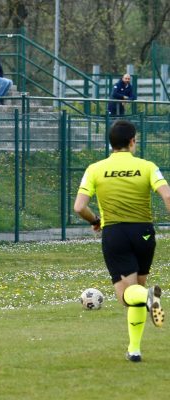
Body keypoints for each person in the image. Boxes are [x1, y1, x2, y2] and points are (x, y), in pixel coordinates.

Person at [73, 120, 170, 362]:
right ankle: (134, 349)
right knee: (136, 288)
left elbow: (79, 207)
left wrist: (95, 220)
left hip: (115, 233)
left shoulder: (95, 169)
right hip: (144, 233)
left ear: (111, 143)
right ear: (132, 141)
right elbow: (167, 195)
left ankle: (148, 297)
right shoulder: (147, 166)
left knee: (127, 296)